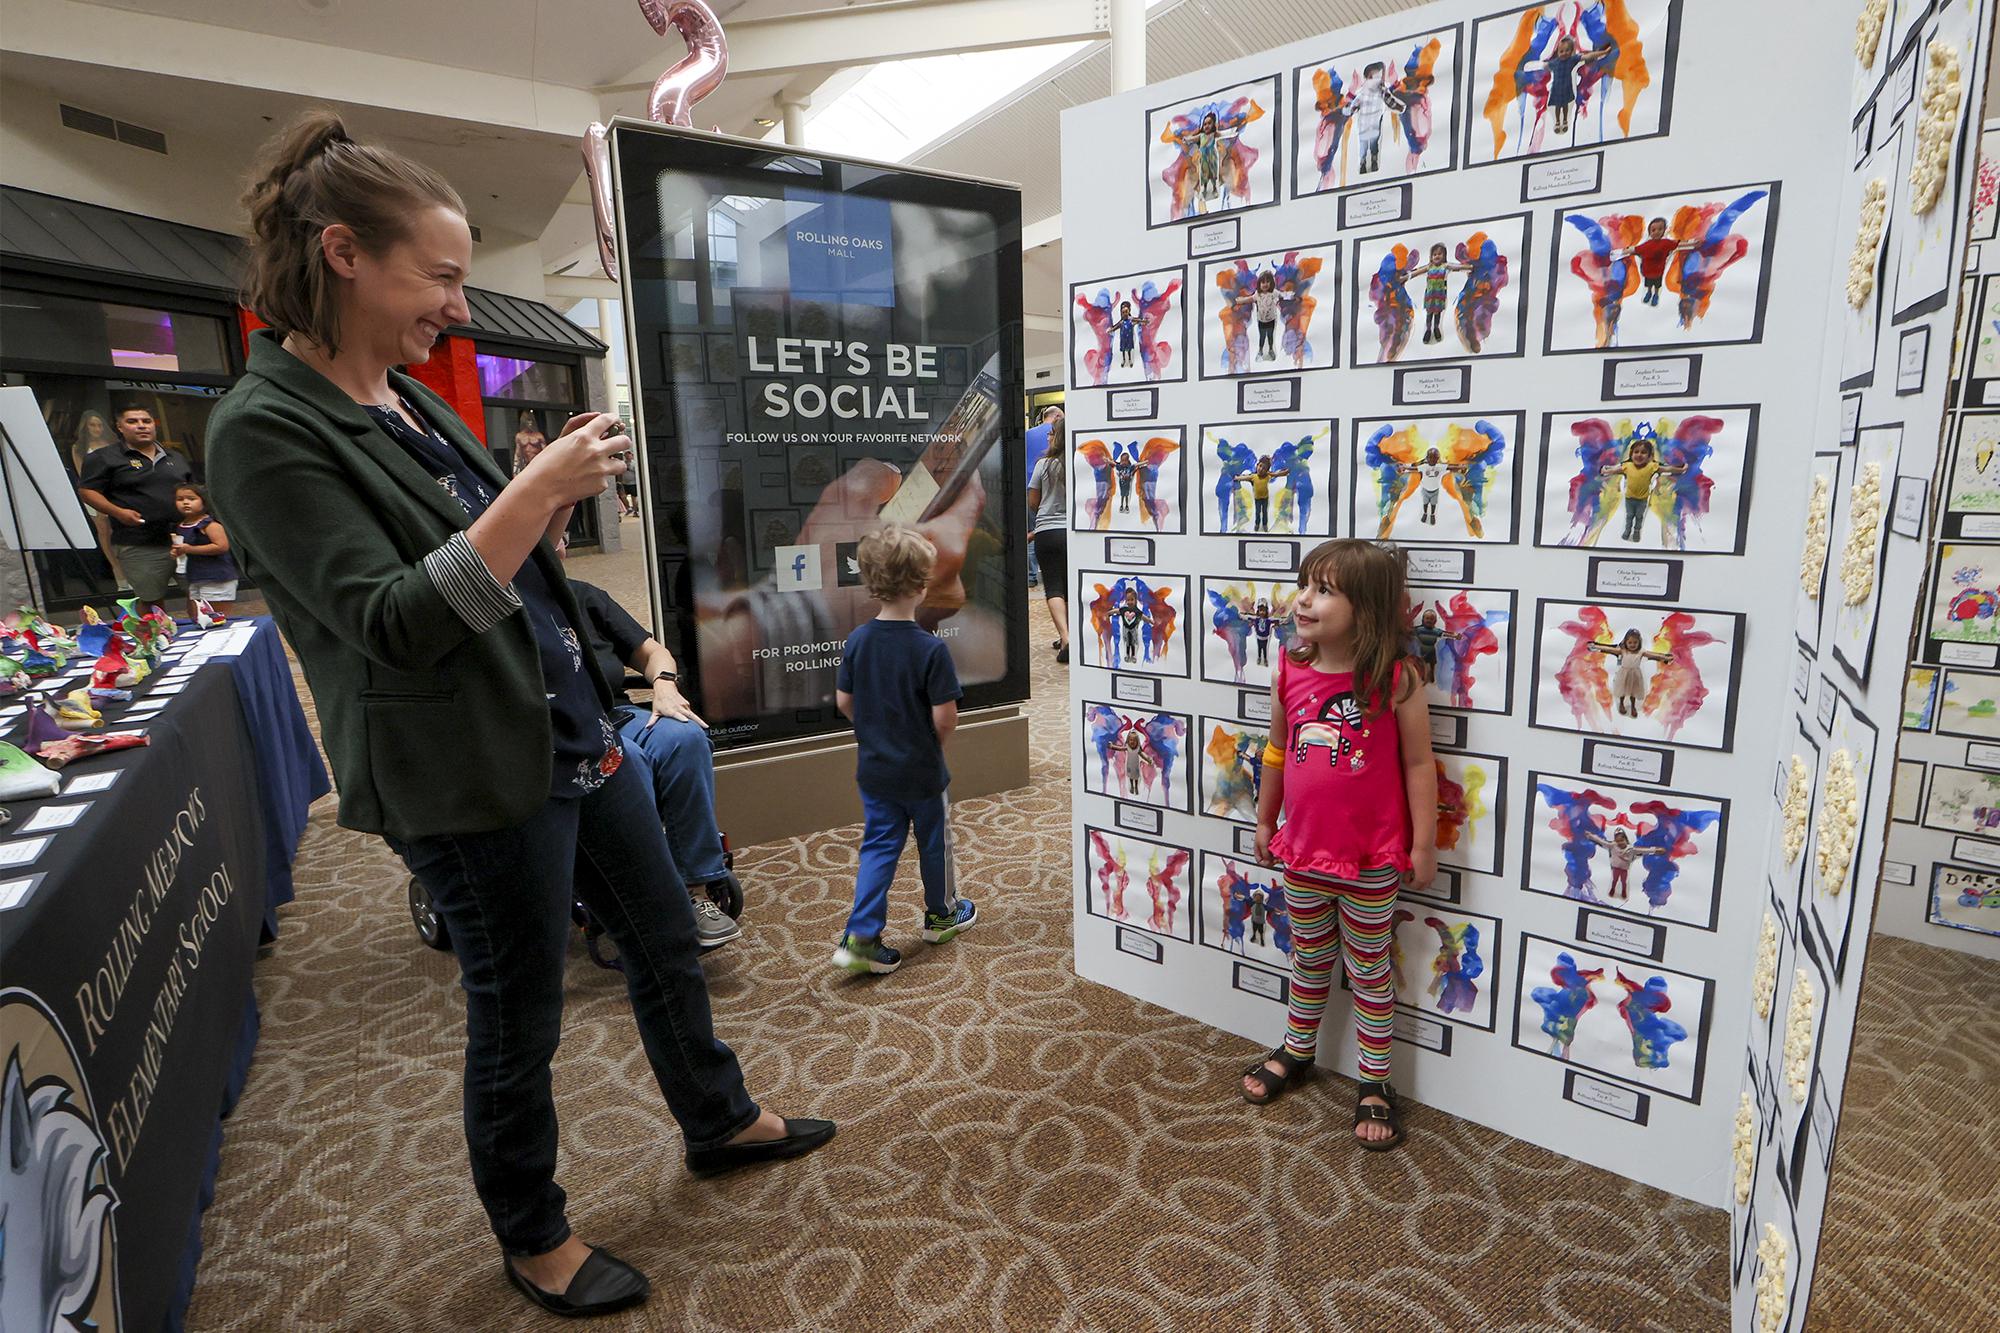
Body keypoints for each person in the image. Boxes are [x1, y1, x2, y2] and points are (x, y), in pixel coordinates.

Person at [206, 112, 832, 1320]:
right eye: (438, 274)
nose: (457, 302)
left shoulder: (403, 399)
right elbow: (391, 620)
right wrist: (535, 492)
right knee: (517, 1015)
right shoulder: (263, 429)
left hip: (571, 726)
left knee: (663, 937)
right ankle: (533, 1234)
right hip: (465, 769)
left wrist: (542, 520)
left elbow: (495, 564)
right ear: (343, 253)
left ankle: (718, 1119)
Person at [1242, 538, 1437, 1152]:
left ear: (1370, 609)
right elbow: (1276, 752)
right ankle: (1297, 1051)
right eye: (1305, 585)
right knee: (1308, 957)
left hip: (1370, 858)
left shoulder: (1396, 680)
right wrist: (1265, 819)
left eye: (1325, 590)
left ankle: (1375, 1080)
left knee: (1370, 969)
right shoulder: (1290, 671)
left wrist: (1424, 844)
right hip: (1302, 852)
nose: (1305, 599)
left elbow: (1418, 766)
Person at [563, 577, 744, 948]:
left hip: (615, 714)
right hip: (559, 730)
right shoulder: (504, 602)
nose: (562, 542)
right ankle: (647, 897)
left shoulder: (585, 595)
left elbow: (652, 652)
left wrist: (664, 684)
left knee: (685, 738)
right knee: (629, 760)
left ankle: (694, 890)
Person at [831, 524, 977, 975]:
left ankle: (862, 938)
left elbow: (844, 702)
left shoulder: (857, 640)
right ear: (921, 584)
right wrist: (932, 746)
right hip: (923, 772)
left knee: (878, 846)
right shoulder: (930, 650)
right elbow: (944, 716)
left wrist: (876, 733)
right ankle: (940, 914)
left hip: (875, 770)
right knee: (936, 843)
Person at [76, 406, 192, 606]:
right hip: (140, 542)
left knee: (201, 596)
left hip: (186, 539)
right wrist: (118, 512)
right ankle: (157, 637)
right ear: (119, 427)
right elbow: (87, 491)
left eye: (146, 421)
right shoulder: (104, 457)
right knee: (152, 602)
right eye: (132, 421)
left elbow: (193, 491)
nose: (141, 426)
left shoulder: (175, 457)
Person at [1027, 417, 1071, 663]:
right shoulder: (1079, 463)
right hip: (1074, 533)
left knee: (1053, 586)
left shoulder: (1043, 465)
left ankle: (1065, 638)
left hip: (1047, 532)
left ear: (1057, 436)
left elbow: (1033, 502)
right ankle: (1071, 635)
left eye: (1051, 432)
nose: (1048, 436)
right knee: (1071, 587)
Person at [170, 484, 240, 619]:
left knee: (215, 617)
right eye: (180, 499)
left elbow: (221, 546)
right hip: (195, 576)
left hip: (217, 577)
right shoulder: (180, 526)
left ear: (204, 501)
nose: (185, 502)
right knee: (196, 616)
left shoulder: (210, 524)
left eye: (191, 499)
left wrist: (189, 549)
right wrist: (178, 552)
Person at [1601, 437, 1686, 543]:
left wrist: (1680, 469)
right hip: (1629, 498)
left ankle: (1636, 532)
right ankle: (1627, 531)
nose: (1639, 455)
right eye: (1636, 452)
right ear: (1631, 454)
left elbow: (1667, 468)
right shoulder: (1627, 466)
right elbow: (1614, 470)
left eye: (1643, 452)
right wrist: (1606, 471)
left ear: (1650, 456)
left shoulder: (1651, 466)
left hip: (1642, 500)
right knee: (1629, 516)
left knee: (1639, 517)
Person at [1617, 218, 1698, 308]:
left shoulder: (1666, 243)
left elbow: (1678, 244)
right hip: (1647, 272)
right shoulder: (1646, 245)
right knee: (1648, 284)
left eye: (1660, 229)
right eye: (1653, 230)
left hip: (1658, 272)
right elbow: (1635, 249)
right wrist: (1622, 251)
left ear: (1664, 230)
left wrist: (1693, 243)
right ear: (1650, 232)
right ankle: (1649, 292)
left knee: (1657, 285)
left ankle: (1655, 295)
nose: (1657, 232)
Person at [1592, 628, 1670, 717]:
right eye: (1630, 642)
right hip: (1624, 674)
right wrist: (1597, 647)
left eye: (1635, 642)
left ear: (1639, 642)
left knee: (1634, 692)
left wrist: (1664, 657)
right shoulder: (1623, 651)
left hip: (1635, 674)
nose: (1632, 645)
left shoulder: (1641, 652)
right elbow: (1609, 650)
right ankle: (1621, 704)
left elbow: (1652, 655)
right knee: (1623, 690)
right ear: (1626, 642)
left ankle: (1633, 706)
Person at [1234, 272, 1295, 362]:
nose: (1265, 284)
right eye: (1263, 282)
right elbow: (1249, 299)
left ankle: (1271, 350)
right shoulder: (1257, 294)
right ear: (1259, 284)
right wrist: (1241, 300)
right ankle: (1260, 351)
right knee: (1262, 337)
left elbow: (1282, 295)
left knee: (1270, 336)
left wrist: (1291, 295)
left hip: (1271, 320)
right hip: (1261, 321)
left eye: (1267, 282)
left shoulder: (1273, 292)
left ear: (1271, 283)